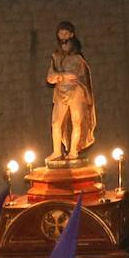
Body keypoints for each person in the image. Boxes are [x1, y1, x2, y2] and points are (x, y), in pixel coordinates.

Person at [46, 21, 96, 161]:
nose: (63, 37)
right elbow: (50, 77)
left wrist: (60, 77)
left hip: (75, 92)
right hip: (60, 93)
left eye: (66, 34)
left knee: (76, 121)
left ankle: (73, 151)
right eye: (61, 34)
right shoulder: (55, 57)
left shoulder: (78, 58)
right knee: (56, 123)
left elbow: (75, 75)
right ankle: (56, 151)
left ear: (71, 35)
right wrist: (61, 76)